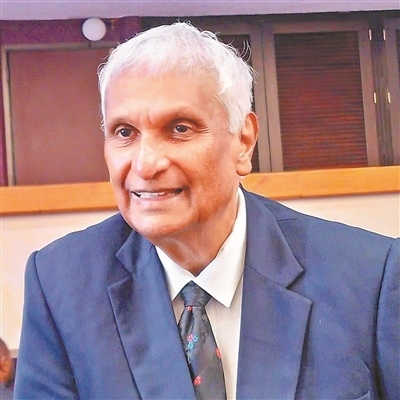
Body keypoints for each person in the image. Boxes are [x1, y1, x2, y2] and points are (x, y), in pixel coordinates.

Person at [14, 22, 398, 400]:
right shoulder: (60, 285)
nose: (145, 164)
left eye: (180, 128)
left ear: (243, 142)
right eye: (125, 132)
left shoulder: (369, 277)